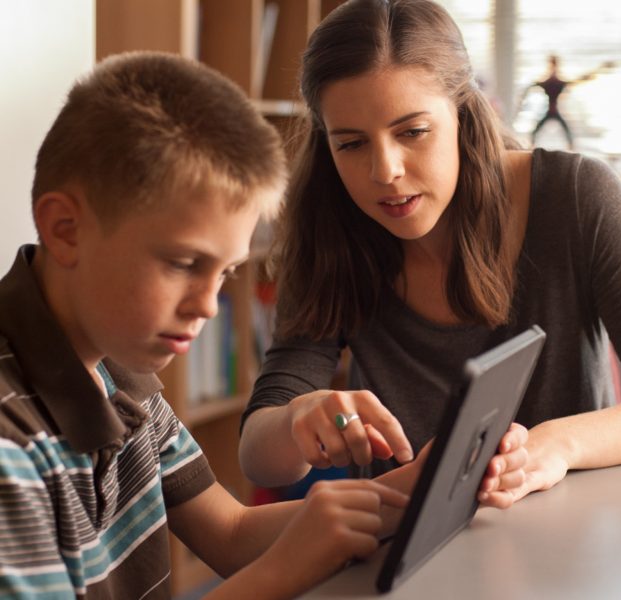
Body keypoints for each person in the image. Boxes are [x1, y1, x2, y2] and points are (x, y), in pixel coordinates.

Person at [239, 0, 621, 510]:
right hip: (398, 554)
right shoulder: (330, 222)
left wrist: (556, 446)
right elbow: (257, 455)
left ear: (463, 112)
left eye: (412, 132)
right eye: (352, 144)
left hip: (565, 545)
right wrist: (298, 421)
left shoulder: (577, 196)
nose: (384, 171)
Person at [0, 51, 416, 599]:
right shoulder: (10, 446)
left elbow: (232, 531)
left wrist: (422, 489)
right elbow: (255, 557)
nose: (209, 306)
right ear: (66, 229)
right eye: (183, 264)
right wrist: (282, 573)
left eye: (226, 272)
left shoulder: (117, 365)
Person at [516, 54, 614, 150]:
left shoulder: (553, 82)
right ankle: (532, 146)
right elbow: (530, 86)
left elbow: (581, 79)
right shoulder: (551, 82)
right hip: (551, 111)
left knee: (564, 133)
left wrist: (600, 69)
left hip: (553, 111)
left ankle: (569, 147)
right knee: (546, 132)